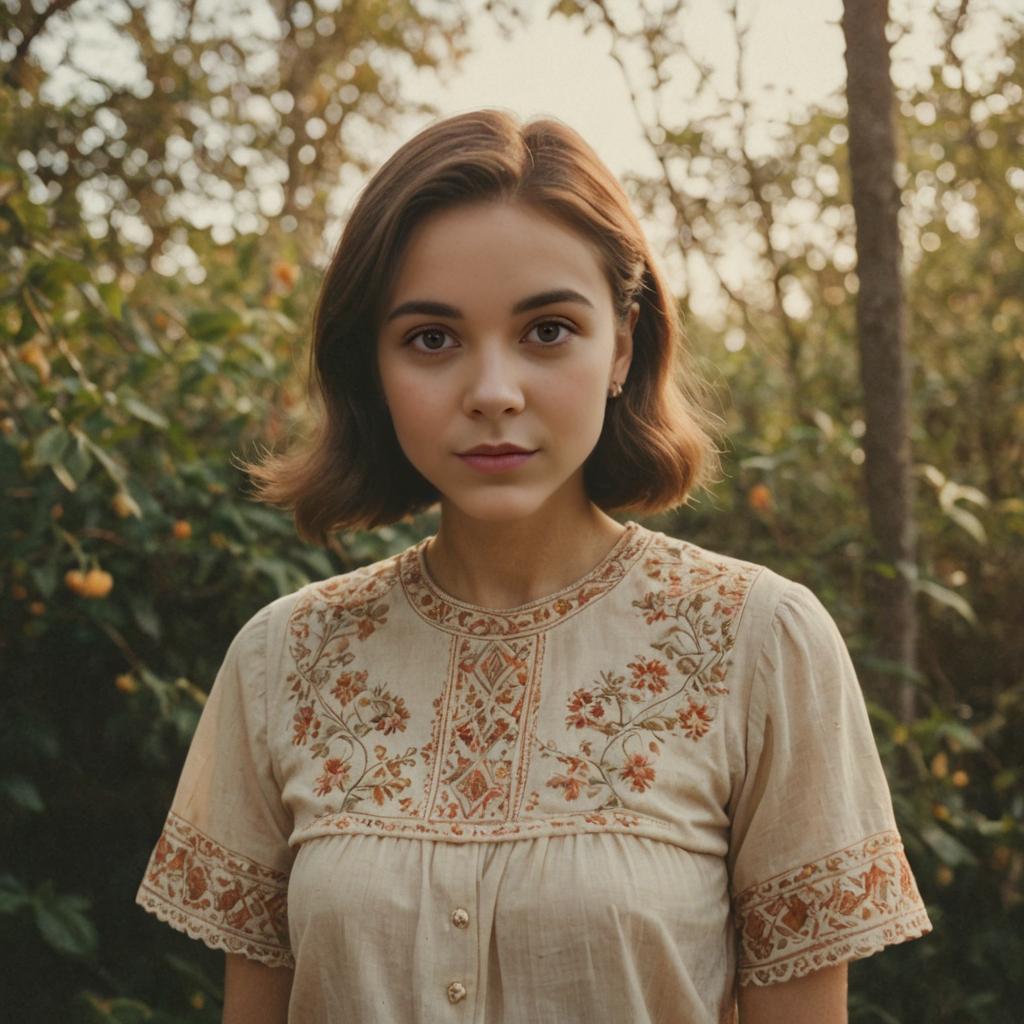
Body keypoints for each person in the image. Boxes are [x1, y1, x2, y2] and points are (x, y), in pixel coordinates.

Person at [135, 108, 932, 1023]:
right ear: (375, 365)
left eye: (547, 330)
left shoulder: (759, 643)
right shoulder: (284, 660)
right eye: (432, 338)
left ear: (622, 346)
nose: (493, 393)